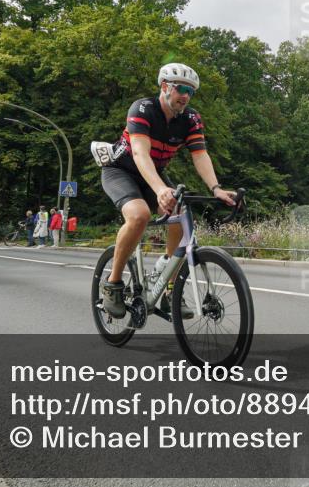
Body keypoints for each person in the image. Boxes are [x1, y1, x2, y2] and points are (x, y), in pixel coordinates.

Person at [94, 63, 236, 319]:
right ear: (164, 87)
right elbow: (139, 153)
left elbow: (200, 155)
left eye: (190, 92)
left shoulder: (191, 119)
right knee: (139, 216)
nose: (185, 95)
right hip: (122, 170)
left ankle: (170, 286)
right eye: (181, 88)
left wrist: (215, 188)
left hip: (155, 172)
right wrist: (160, 189)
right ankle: (113, 284)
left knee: (181, 211)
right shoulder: (143, 108)